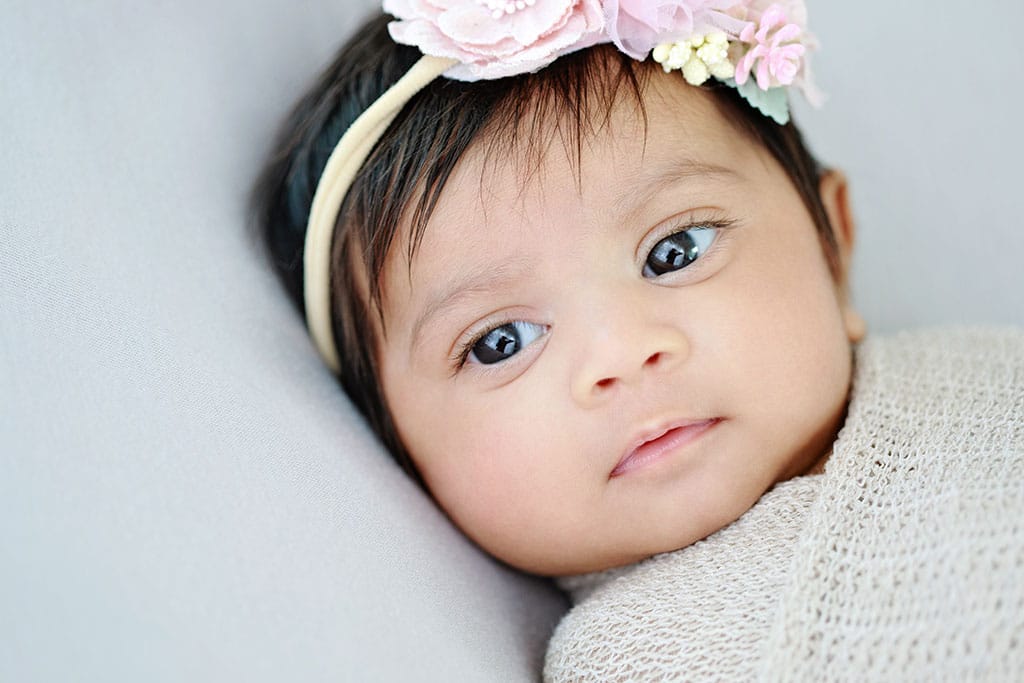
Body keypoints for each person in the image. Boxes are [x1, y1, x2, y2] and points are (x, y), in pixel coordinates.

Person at [254, 1, 1024, 679]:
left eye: (676, 251)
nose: (622, 351)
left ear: (835, 246)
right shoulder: (622, 661)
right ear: (396, 448)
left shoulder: (994, 376)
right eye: (500, 341)